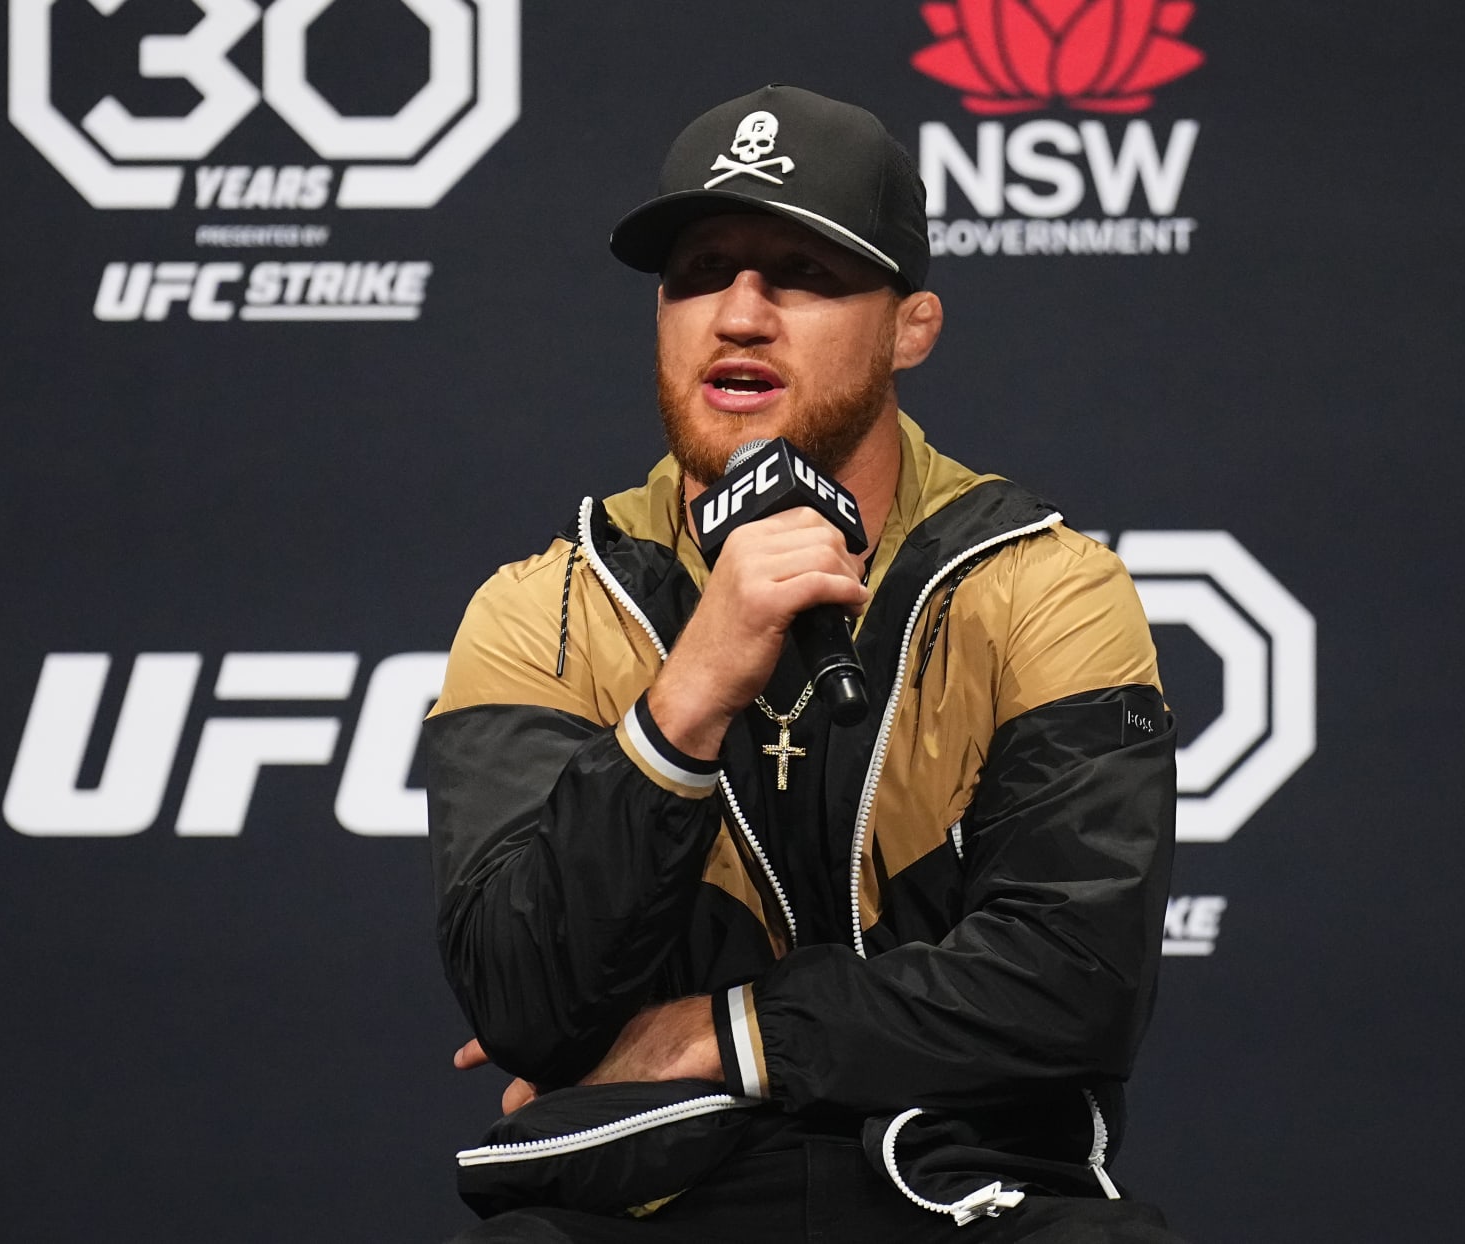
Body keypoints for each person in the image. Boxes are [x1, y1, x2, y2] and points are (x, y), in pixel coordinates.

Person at [425, 84, 1182, 1243]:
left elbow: (1075, 983)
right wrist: (689, 694)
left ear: (911, 325)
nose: (740, 314)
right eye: (703, 270)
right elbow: (523, 997)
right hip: (647, 1201)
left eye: (806, 274)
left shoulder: (1047, 585)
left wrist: (724, 1032)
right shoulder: (545, 608)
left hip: (964, 1194)